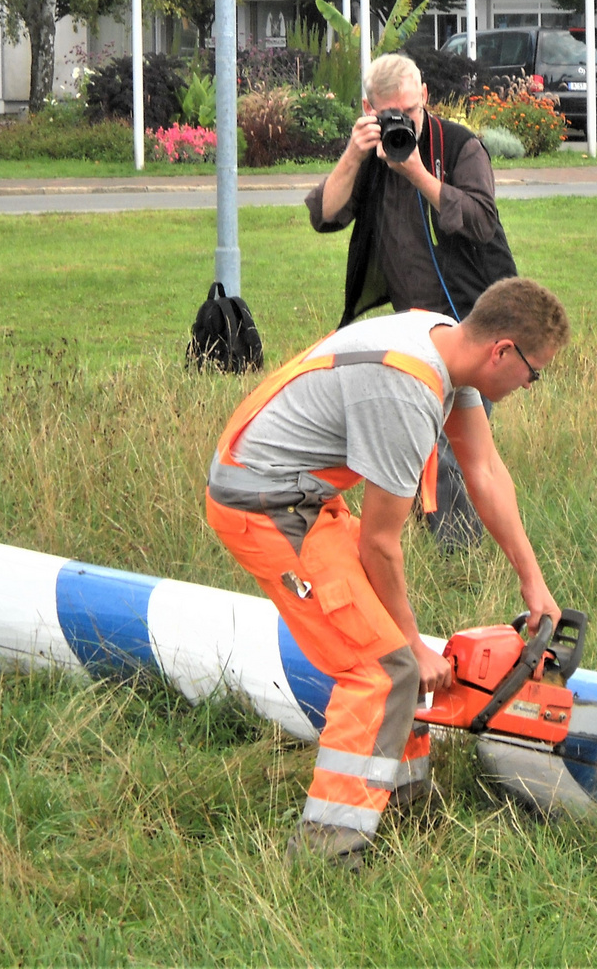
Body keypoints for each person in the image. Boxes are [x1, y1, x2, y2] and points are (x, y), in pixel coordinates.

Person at [206, 277, 569, 867]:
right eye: (535, 373)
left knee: (402, 660)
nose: (531, 385)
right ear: (501, 350)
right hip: (263, 504)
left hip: (307, 498)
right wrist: (407, 641)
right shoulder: (407, 388)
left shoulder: (449, 350)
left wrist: (533, 581)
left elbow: (483, 469)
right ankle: (326, 856)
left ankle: (401, 809)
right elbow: (380, 544)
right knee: (380, 667)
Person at [305, 52, 518, 551]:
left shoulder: (460, 146)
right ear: (368, 109)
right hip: (413, 326)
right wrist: (354, 155)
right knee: (427, 438)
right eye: (390, 114)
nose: (405, 122)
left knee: (458, 444)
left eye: (412, 111)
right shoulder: (372, 157)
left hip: (473, 317)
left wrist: (419, 173)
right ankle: (451, 546)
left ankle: (460, 551)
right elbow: (324, 214)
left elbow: (482, 220)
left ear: (425, 96)